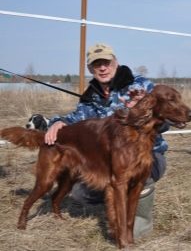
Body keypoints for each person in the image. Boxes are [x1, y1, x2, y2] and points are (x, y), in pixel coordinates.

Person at [44, 43, 169, 237]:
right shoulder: (90, 96)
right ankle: (117, 204)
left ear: (115, 62)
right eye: (97, 64)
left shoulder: (141, 85)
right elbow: (76, 119)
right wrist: (57, 122)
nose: (102, 68)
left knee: (139, 175)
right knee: (80, 192)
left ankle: (138, 220)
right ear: (91, 69)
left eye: (106, 62)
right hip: (111, 159)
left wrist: (140, 113)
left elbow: (166, 120)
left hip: (148, 155)